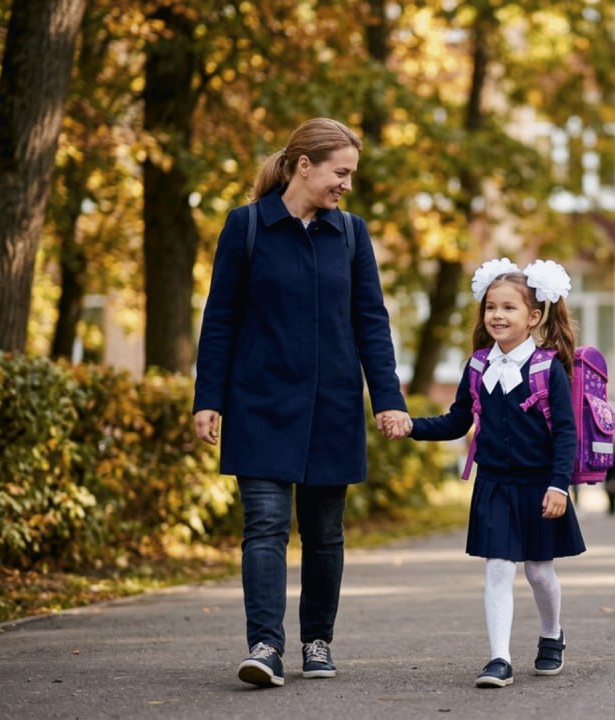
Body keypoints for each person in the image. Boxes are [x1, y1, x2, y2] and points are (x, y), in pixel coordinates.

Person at [192, 118, 411, 688]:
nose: (347, 185)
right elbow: (220, 320)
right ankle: (265, 645)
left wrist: (386, 398)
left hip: (333, 405)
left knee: (323, 532)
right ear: (303, 165)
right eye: (341, 172)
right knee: (264, 524)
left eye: (352, 175)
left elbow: (371, 323)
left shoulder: (352, 234)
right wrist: (208, 397)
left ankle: (318, 640)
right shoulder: (246, 228)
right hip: (260, 402)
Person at [390, 258, 585, 689]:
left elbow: (566, 433)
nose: (497, 315)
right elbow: (458, 421)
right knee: (498, 568)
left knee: (538, 572)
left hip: (539, 485)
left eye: (509, 308)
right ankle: (499, 658)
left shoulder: (546, 367)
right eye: (491, 307)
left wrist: (559, 484)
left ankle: (552, 633)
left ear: (534, 317)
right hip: (494, 483)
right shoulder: (477, 366)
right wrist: (412, 426)